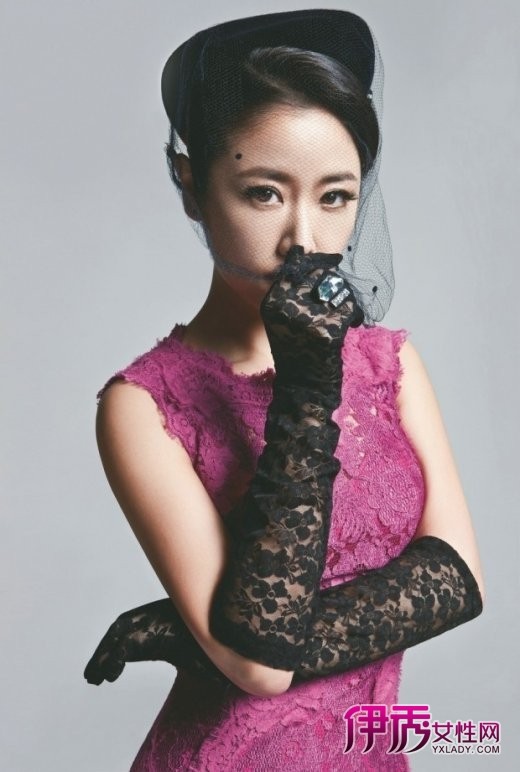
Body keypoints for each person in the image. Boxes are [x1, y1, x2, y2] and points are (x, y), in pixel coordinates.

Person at [83, 9, 484, 769]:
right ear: (192, 185)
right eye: (264, 193)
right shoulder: (143, 406)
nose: (305, 237)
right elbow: (259, 668)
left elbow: (458, 581)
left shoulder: (389, 363)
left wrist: (189, 632)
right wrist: (306, 385)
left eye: (335, 197)